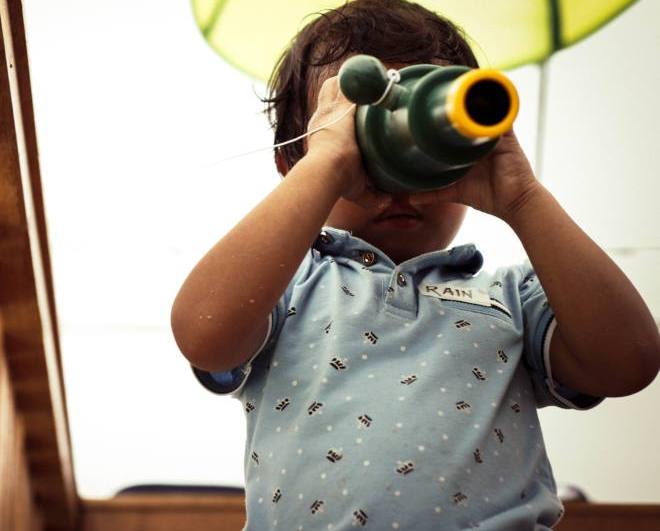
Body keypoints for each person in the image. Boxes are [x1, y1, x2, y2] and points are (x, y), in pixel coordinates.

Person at [170, 0, 660, 528]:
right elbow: (204, 331)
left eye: (426, 143)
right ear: (294, 163)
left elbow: (628, 361)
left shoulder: (513, 298)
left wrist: (522, 198)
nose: (400, 180)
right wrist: (329, 164)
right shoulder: (284, 287)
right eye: (365, 141)